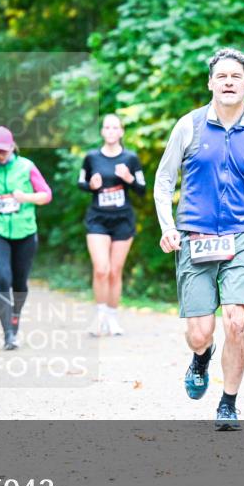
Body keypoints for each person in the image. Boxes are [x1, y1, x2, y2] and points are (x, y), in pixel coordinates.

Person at [154, 48, 244, 430]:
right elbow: (164, 181)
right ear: (210, 83)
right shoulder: (188, 126)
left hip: (240, 236)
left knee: (236, 323)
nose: (228, 82)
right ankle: (201, 357)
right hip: (194, 237)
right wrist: (167, 226)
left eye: (236, 76)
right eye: (222, 76)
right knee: (199, 333)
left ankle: (228, 403)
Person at [0, 126, 52, 350]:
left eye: (3, 151)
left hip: (25, 231)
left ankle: (15, 317)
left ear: (12, 148)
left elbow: (46, 195)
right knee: (3, 277)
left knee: (19, 283)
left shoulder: (27, 167)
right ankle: (8, 333)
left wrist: (25, 197)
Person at [78, 113, 146, 336]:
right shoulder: (91, 157)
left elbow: (142, 190)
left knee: (115, 271)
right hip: (98, 218)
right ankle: (99, 317)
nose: (110, 131)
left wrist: (129, 179)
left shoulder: (130, 158)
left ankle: (113, 318)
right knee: (101, 269)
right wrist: (91, 185)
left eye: (115, 127)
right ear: (102, 131)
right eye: (107, 127)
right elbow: (81, 183)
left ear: (121, 131)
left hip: (122, 220)